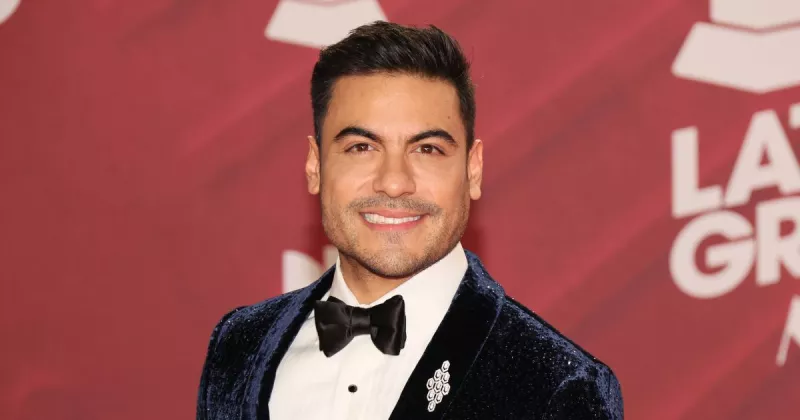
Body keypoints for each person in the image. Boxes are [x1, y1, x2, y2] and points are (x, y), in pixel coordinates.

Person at [196, 21, 623, 420]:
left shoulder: (556, 385)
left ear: (473, 170)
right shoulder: (239, 345)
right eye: (362, 147)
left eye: (427, 149)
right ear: (315, 165)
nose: (394, 182)